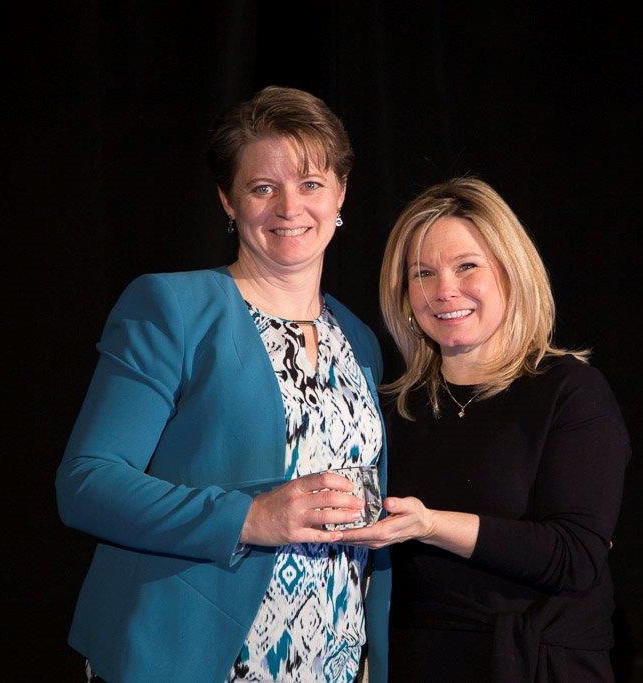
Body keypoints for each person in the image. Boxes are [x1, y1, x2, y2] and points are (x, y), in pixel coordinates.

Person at [55, 86, 390, 683]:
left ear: (340, 195)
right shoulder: (175, 308)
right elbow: (87, 482)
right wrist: (248, 518)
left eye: (311, 184)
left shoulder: (359, 340)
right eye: (263, 187)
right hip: (192, 659)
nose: (289, 207)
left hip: (330, 664)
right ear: (228, 202)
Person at [340, 177, 630, 681]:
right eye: (422, 273)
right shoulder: (388, 408)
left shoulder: (570, 391)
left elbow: (575, 555)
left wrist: (431, 525)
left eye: (466, 266)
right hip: (414, 662)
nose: (443, 291)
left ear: (510, 271)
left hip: (535, 666)